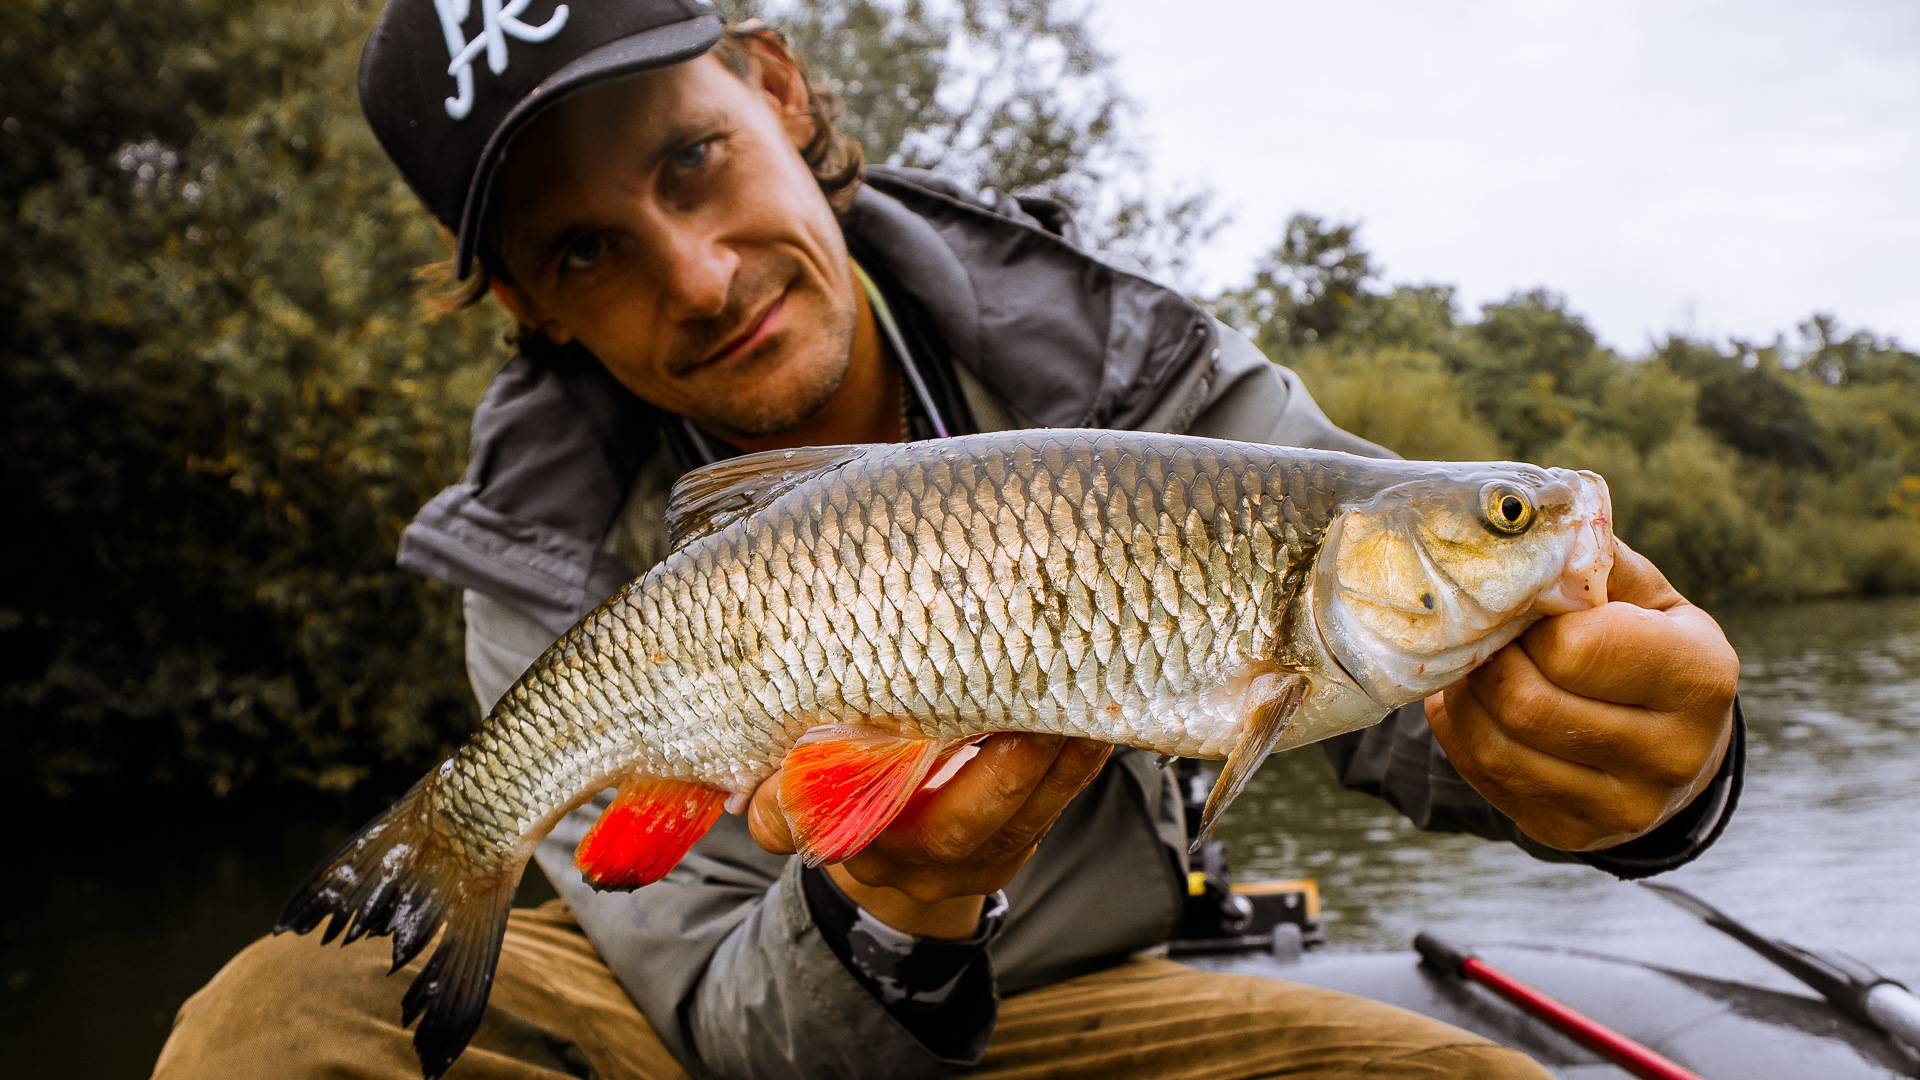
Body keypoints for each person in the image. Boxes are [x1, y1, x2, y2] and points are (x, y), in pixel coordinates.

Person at [153, 3, 1744, 1077]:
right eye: (584, 248)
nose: (697, 277)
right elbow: (718, 1016)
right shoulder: (529, 552)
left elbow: (1425, 706)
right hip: (737, 1029)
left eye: (690, 157)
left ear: (778, 90)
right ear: (527, 303)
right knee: (287, 1012)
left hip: (1089, 1008)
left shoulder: (1143, 378)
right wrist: (894, 903)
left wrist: (1659, 777)